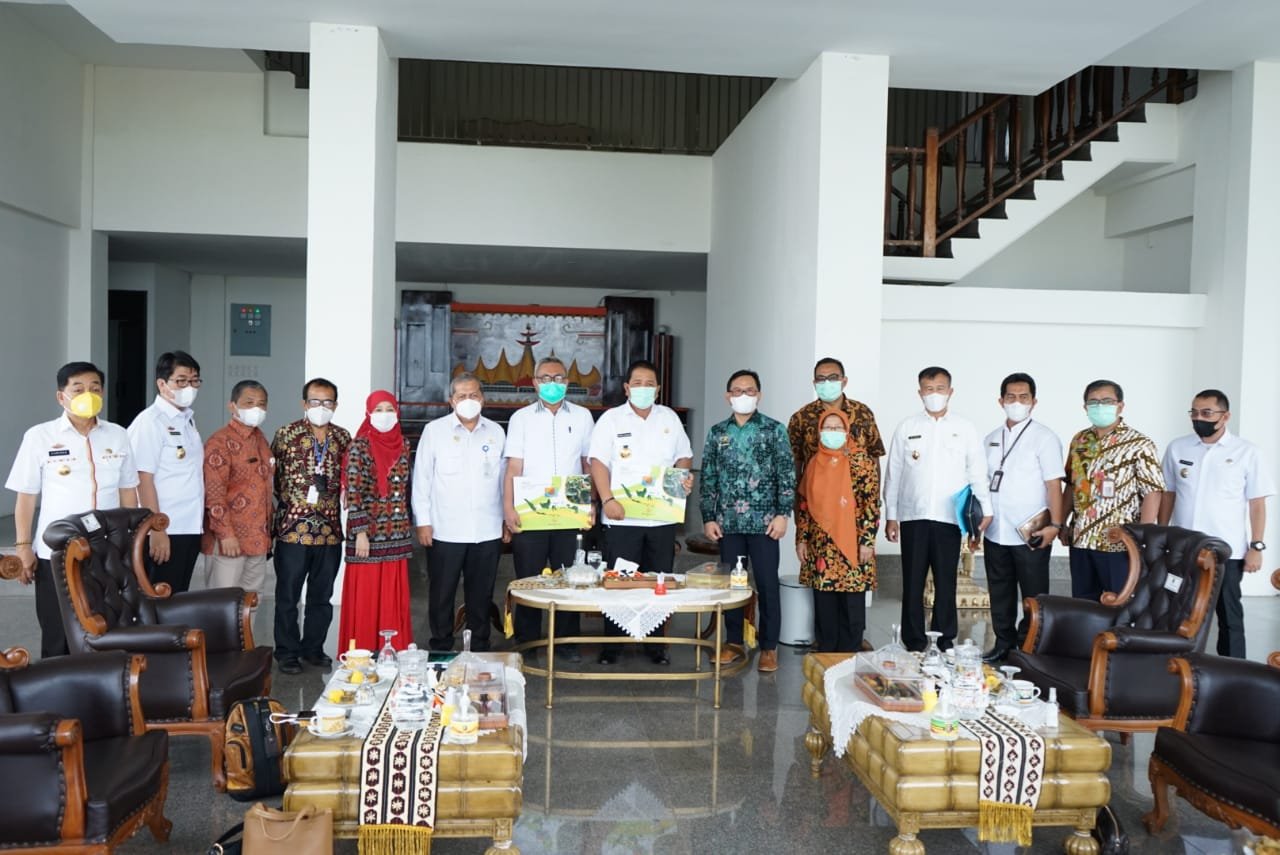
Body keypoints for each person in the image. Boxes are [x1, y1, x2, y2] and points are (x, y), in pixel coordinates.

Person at [6, 362, 139, 658]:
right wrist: (23, 546)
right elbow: (26, 497)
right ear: (61, 396)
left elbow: (128, 491)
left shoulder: (118, 435)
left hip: (105, 550)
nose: (87, 395)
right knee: (57, 632)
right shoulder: (40, 436)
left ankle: (103, 682)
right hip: (56, 551)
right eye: (78, 389)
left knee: (106, 625)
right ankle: (57, 684)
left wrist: (129, 540)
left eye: (94, 388)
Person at [588, 359, 694, 665]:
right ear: (626, 388)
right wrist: (607, 499)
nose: (643, 389)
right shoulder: (611, 420)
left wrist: (682, 479)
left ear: (658, 389)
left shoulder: (669, 418)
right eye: (637, 384)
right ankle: (613, 644)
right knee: (620, 581)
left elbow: (684, 456)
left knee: (658, 580)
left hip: (661, 517)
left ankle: (655, 644)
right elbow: (598, 463)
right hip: (622, 517)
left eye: (649, 384)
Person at [1159, 389, 1274, 658]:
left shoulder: (1247, 452)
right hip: (1184, 548)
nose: (1199, 418)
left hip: (1227, 550)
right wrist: (1162, 535)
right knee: (1177, 609)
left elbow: (1257, 503)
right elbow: (1168, 494)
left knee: (1229, 614)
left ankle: (1233, 670)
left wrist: (1256, 546)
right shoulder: (1178, 448)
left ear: (1225, 416)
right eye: (1194, 412)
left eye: (1207, 413)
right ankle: (1175, 666)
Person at [883, 366, 991, 651]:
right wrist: (891, 516)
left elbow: (977, 472)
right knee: (912, 581)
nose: (934, 394)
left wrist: (986, 510)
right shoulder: (907, 427)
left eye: (940, 389)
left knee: (946, 581)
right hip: (913, 516)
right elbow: (894, 474)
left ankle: (944, 641)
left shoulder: (965, 428)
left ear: (950, 392)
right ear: (920, 393)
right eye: (929, 389)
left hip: (949, 518)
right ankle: (914, 641)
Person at [700, 369, 796, 672]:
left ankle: (768, 647)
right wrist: (708, 517)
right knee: (733, 587)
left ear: (759, 395)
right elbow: (709, 477)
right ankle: (734, 643)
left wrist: (783, 515)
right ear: (728, 396)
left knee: (767, 585)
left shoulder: (774, 430)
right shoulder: (718, 433)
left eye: (750, 390)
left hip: (765, 524)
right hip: (728, 524)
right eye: (737, 391)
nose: (744, 395)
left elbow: (787, 475)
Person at [787, 357, 885, 650]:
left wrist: (868, 540)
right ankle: (827, 650)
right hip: (821, 537)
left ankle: (851, 647)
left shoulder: (861, 456)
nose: (832, 431)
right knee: (824, 599)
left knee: (852, 601)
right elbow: (801, 489)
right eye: (821, 378)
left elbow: (870, 498)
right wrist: (801, 536)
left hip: (853, 533)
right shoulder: (804, 428)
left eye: (833, 377)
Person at [502, 357, 596, 661]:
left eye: (558, 378)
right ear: (535, 383)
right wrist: (508, 508)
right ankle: (527, 643)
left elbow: (587, 464)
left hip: (570, 512)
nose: (551, 383)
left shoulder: (583, 417)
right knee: (529, 579)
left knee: (570, 577)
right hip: (530, 511)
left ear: (567, 382)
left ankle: (567, 642)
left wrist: (591, 503)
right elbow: (513, 467)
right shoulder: (521, 418)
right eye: (545, 378)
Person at [413, 372, 507, 652]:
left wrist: (506, 519)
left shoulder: (496, 432)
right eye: (462, 396)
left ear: (483, 398)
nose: (469, 400)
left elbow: (505, 480)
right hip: (445, 529)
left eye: (474, 395)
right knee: (442, 592)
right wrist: (423, 521)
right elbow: (422, 479)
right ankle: (441, 644)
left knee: (481, 593)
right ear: (451, 400)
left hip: (487, 528)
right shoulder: (435, 431)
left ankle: (479, 644)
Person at [979, 373, 1064, 663]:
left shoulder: (1045, 438)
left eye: (1023, 397)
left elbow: (1054, 485)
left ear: (1033, 402)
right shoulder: (991, 439)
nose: (1017, 402)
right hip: (996, 530)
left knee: (1033, 595)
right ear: (1001, 401)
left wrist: (1055, 525)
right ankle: (1003, 643)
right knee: (999, 590)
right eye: (1011, 397)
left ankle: (1030, 648)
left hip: (1031, 531)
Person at [270, 378, 351, 674]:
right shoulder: (286, 434)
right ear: (304, 404)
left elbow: (348, 478)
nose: (321, 407)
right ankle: (287, 652)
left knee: (322, 597)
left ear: (336, 405)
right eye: (315, 401)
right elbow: (273, 478)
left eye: (327, 402)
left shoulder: (343, 437)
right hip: (292, 530)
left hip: (330, 532)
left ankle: (313, 649)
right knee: (288, 596)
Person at [1061, 379, 1164, 601]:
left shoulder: (1139, 444)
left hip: (1119, 542)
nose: (1100, 406)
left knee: (1120, 603)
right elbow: (1070, 484)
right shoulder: (1079, 441)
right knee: (1083, 603)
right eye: (1093, 402)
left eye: (1107, 401)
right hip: (1081, 538)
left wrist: (1141, 537)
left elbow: (1153, 492)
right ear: (1085, 407)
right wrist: (1061, 522)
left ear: (1120, 406)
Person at [338, 391, 414, 653]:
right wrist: (359, 532)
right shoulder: (359, 446)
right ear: (368, 413)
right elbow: (354, 492)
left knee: (392, 598)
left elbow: (404, 488)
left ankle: (392, 651)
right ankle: (363, 653)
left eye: (389, 409)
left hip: (396, 534)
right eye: (378, 409)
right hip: (367, 537)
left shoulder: (403, 444)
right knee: (367, 598)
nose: (384, 415)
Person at [127, 351, 205, 594]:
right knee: (158, 598)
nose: (189, 387)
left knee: (178, 597)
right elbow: (142, 479)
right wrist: (156, 528)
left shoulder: (187, 420)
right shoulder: (150, 422)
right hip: (165, 528)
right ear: (162, 384)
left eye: (194, 381)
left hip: (188, 526)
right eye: (181, 381)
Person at [201, 380, 273, 595]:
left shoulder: (261, 439)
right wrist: (226, 535)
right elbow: (214, 494)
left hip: (258, 538)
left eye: (261, 404)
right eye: (249, 403)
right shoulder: (220, 442)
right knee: (222, 602)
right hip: (229, 541)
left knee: (251, 601)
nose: (256, 409)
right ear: (232, 406)